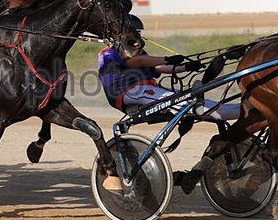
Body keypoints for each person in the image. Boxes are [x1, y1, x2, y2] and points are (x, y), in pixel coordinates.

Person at [97, 14, 240, 192]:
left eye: (139, 34)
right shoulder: (108, 53)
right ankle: (229, 110)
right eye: (135, 34)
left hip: (145, 91)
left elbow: (157, 68)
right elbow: (138, 62)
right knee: (187, 102)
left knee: (184, 97)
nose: (139, 39)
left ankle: (225, 109)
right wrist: (167, 59)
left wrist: (186, 66)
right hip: (129, 93)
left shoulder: (139, 53)